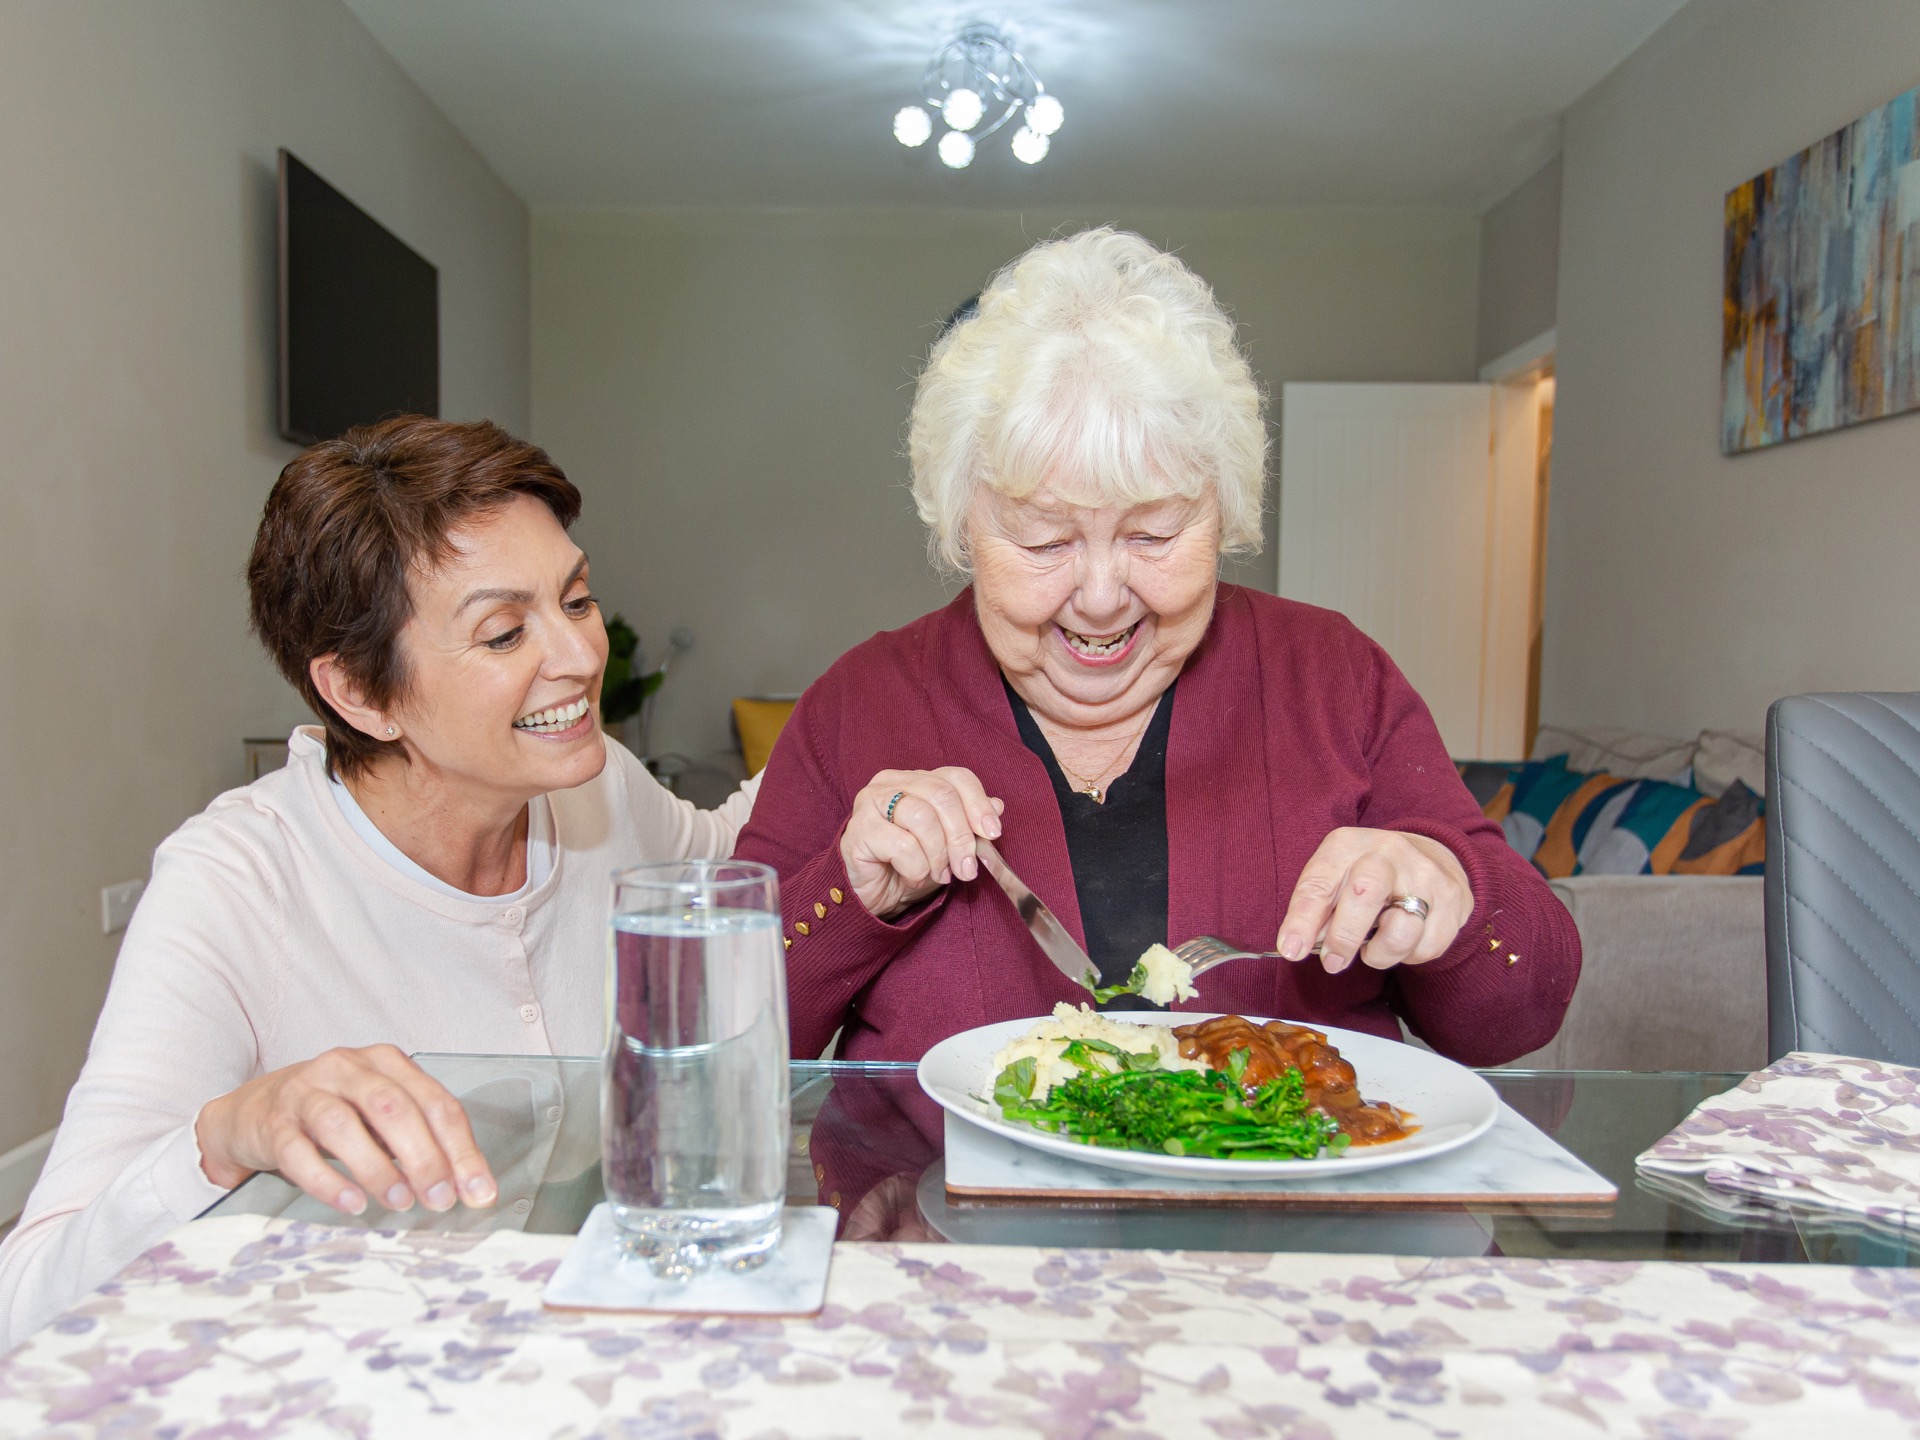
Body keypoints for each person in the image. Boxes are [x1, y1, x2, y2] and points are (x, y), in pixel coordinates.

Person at [735, 228, 1579, 1066]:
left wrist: (1447, 895)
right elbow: (718, 1037)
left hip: (1293, 1201)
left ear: (1225, 514)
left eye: (1154, 533)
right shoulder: (858, 705)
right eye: (1044, 542)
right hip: (945, 1199)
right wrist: (848, 895)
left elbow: (1523, 1012)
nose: (1102, 597)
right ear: (964, 525)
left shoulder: (1333, 678)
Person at [0, 417, 757, 1347]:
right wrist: (227, 1133)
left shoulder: (598, 788)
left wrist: (879, 780)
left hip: (585, 1333)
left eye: (578, 599)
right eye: (505, 632)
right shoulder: (236, 883)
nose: (580, 656)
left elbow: (728, 845)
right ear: (361, 693)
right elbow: (31, 1301)